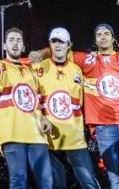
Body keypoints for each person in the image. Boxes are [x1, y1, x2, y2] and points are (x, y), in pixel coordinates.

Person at [32, 24, 119, 189]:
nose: (103, 36)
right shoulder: (87, 60)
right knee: (115, 176)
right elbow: (58, 50)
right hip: (105, 127)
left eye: (106, 33)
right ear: (95, 40)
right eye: (99, 34)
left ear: (113, 38)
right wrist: (41, 52)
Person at [0, 28, 53, 188]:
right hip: (12, 135)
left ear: (24, 47)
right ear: (5, 46)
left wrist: (44, 117)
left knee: (45, 182)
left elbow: (36, 101)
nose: (15, 43)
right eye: (11, 40)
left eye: (18, 40)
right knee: (19, 181)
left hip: (37, 136)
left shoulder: (30, 70)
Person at [33, 28, 99, 189]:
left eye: (61, 41)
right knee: (57, 183)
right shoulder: (38, 68)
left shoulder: (77, 70)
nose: (57, 45)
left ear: (68, 45)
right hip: (47, 140)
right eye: (53, 41)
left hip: (74, 138)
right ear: (49, 44)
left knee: (89, 182)